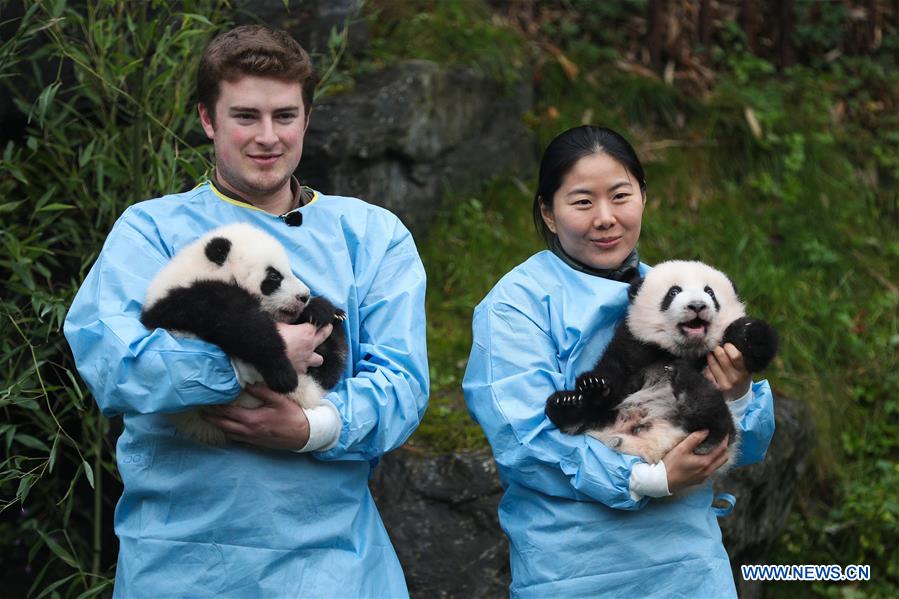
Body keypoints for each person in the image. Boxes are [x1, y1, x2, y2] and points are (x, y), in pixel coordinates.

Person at [64, 25, 428, 598]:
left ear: (307, 119)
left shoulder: (371, 236)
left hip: (330, 565)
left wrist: (312, 427)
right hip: (185, 562)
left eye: (285, 116)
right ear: (208, 120)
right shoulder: (151, 231)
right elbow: (115, 364)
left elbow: (403, 384)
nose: (268, 137)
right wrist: (246, 362)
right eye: (245, 116)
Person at [462, 125, 774, 597]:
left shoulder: (682, 286)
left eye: (621, 196)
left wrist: (738, 392)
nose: (605, 218)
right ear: (548, 212)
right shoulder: (516, 306)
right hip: (579, 569)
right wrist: (646, 478)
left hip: (689, 566)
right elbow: (523, 442)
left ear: (644, 198)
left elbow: (743, 449)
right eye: (582, 202)